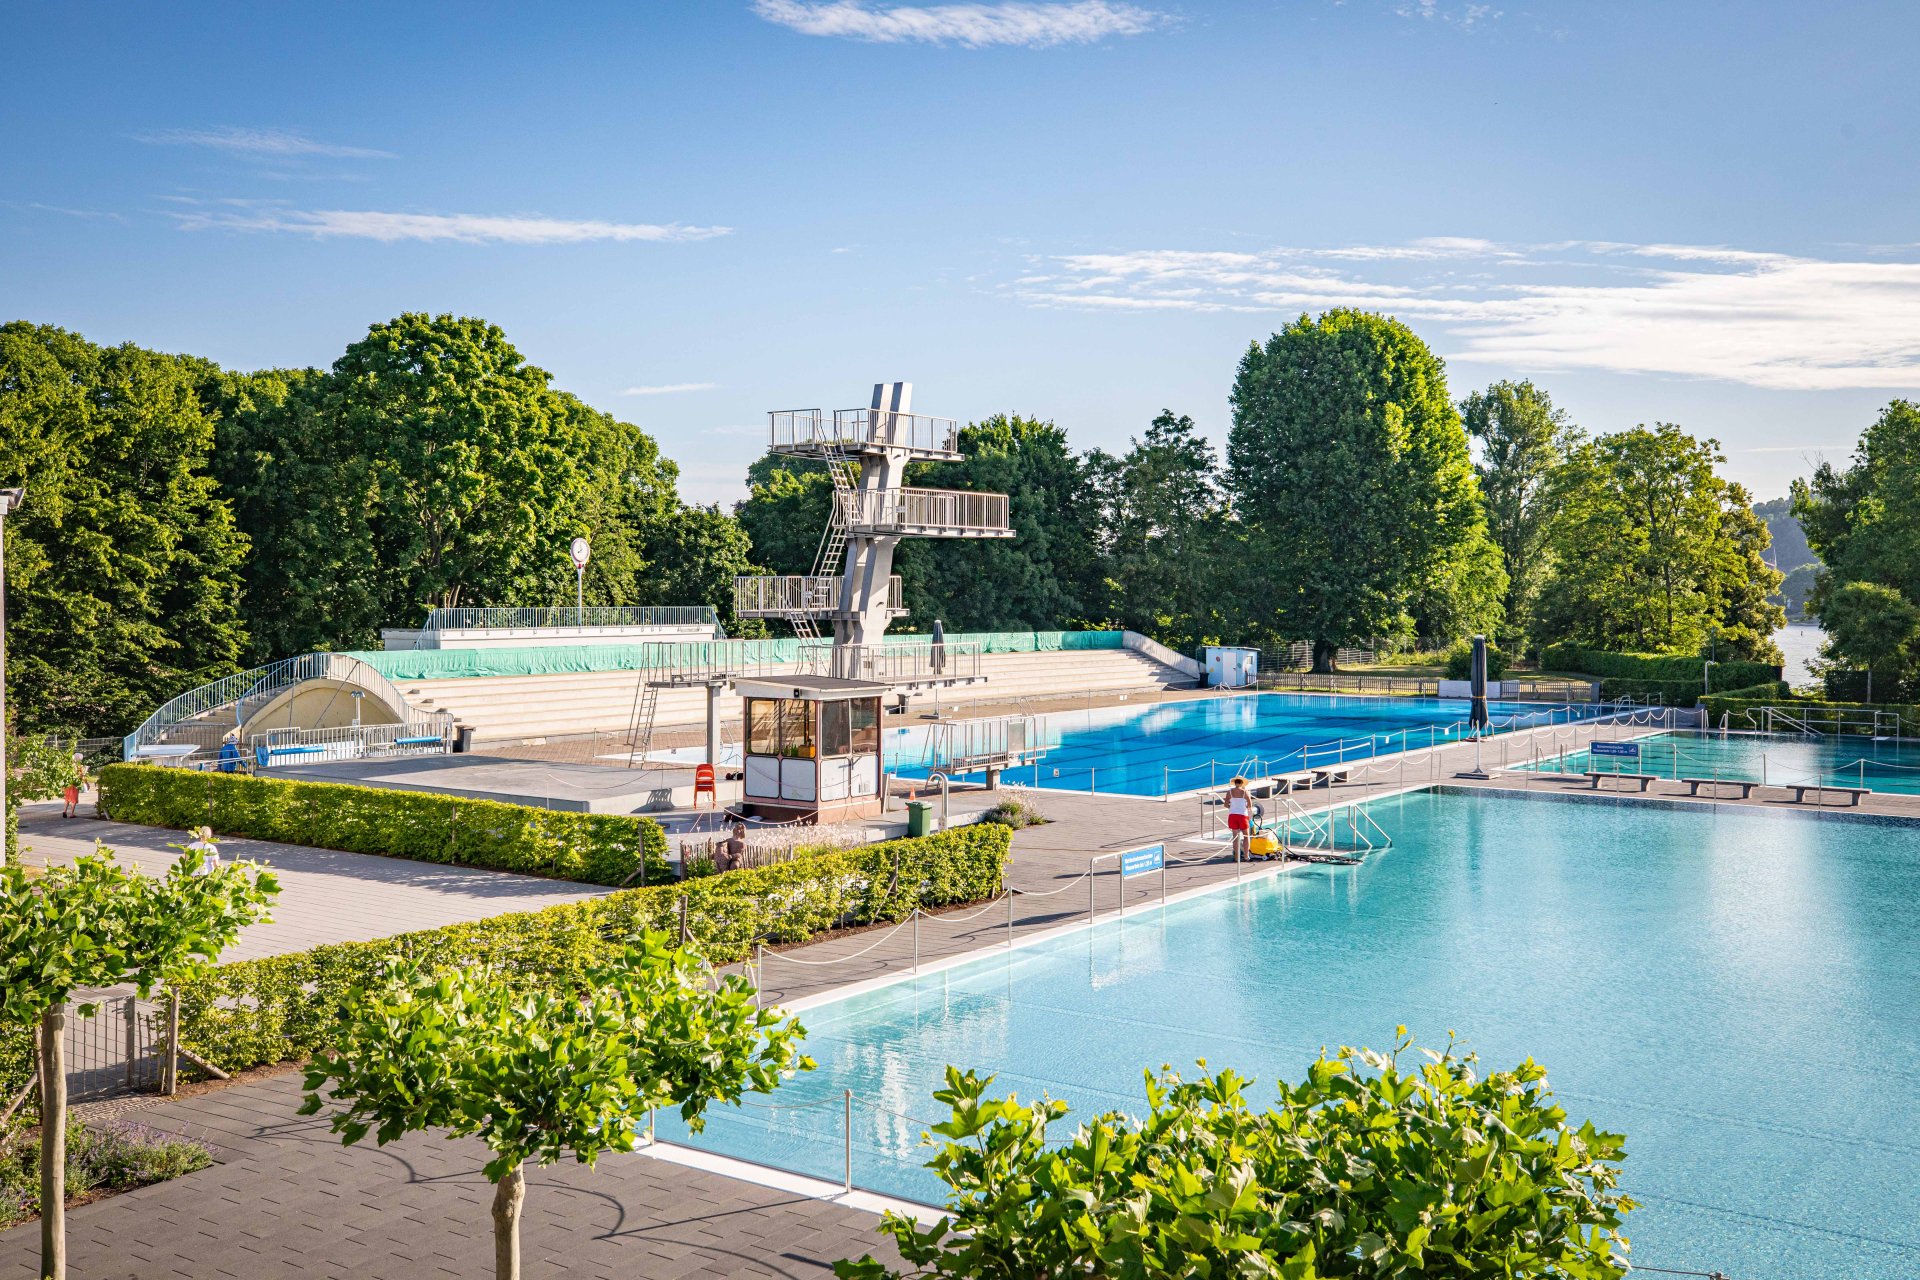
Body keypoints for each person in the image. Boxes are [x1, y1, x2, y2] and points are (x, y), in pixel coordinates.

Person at [1224, 776, 1253, 861]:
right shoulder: (1245, 792)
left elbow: (1225, 805)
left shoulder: (1229, 792)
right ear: (1241, 783)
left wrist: (1231, 807)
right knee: (1246, 836)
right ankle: (1246, 856)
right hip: (1242, 815)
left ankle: (1237, 856)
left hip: (1232, 815)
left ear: (1235, 783)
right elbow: (1250, 805)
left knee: (1235, 837)